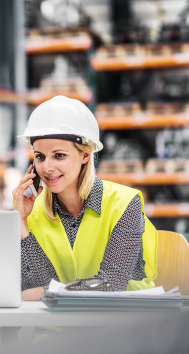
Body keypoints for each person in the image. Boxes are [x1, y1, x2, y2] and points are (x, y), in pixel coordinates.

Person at [13, 95, 158, 301]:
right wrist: (19, 221)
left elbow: (111, 283)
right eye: (40, 157)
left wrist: (49, 292)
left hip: (121, 328)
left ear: (85, 155)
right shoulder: (31, 212)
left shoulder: (125, 204)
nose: (47, 167)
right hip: (55, 331)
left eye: (59, 155)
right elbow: (33, 286)